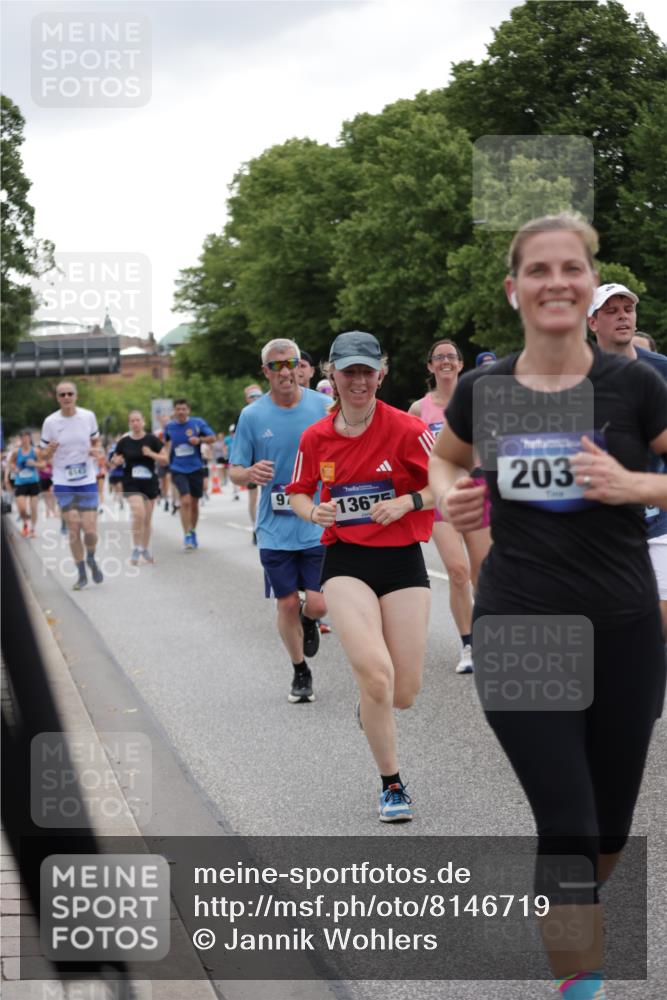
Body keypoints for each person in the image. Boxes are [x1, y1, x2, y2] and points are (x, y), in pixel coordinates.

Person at [429, 213, 667, 998]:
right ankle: (582, 983)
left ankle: (572, 910)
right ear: (514, 289)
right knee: (566, 823)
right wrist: (451, 501)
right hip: (521, 625)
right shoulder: (485, 389)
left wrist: (633, 486)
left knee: (602, 830)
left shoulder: (632, 384)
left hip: (626, 629)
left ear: (587, 284)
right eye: (538, 270)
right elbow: (444, 463)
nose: (556, 281)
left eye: (572, 268)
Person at [287, 331, 436, 822]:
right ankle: (392, 784)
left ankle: (373, 706)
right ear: (332, 373)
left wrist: (407, 501)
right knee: (376, 676)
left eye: (366, 371)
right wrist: (315, 514)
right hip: (347, 562)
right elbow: (298, 492)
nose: (357, 380)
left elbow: (449, 480)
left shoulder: (407, 428)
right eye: (348, 371)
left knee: (403, 692)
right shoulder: (316, 436)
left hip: (402, 563)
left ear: (381, 374)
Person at [230, 339, 330, 704]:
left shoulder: (324, 406)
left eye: (291, 363)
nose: (285, 371)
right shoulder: (253, 416)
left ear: (299, 364)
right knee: (286, 603)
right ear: (266, 372)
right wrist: (250, 472)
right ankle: (300, 669)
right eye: (276, 366)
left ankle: (310, 620)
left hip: (318, 521)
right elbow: (235, 472)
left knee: (317, 604)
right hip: (275, 526)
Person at [588, 282, 667, 638]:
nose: (622, 316)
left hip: (658, 516)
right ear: (592, 322)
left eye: (628, 309)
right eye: (611, 310)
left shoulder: (661, 370)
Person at [409, 340, 491, 673]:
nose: (445, 362)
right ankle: (468, 644)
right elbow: (411, 454)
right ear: (430, 366)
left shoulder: (477, 400)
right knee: (456, 571)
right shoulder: (419, 409)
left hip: (476, 492)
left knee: (481, 573)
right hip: (439, 496)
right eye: (438, 358)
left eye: (451, 357)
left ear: (460, 365)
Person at [39, 381, 104, 590]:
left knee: (90, 530)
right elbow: (42, 454)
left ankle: (91, 557)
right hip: (63, 480)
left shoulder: (88, 416)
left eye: (70, 394)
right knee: (74, 528)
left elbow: (97, 441)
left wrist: (96, 450)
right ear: (57, 398)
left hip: (86, 480)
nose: (66, 397)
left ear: (76, 396)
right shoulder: (50, 422)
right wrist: (49, 450)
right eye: (62, 395)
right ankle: (82, 573)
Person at [110, 411, 166, 565]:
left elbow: (165, 459)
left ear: (143, 422)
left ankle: (144, 548)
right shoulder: (124, 441)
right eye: (132, 421)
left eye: (138, 420)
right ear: (129, 423)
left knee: (147, 519)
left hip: (149, 482)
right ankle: (135, 548)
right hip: (131, 482)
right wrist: (117, 461)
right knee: (138, 514)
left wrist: (151, 454)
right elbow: (114, 459)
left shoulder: (152, 440)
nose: (135, 423)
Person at [163, 399, 215, 549]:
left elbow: (212, 438)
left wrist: (199, 440)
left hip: (195, 468)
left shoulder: (197, 423)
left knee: (194, 504)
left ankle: (192, 531)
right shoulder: (170, 426)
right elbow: (166, 443)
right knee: (184, 501)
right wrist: (166, 457)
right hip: (178, 468)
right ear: (174, 411)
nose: (181, 412)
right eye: (178, 409)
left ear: (188, 410)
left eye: (183, 409)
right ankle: (186, 535)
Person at [240, 384, 264, 543]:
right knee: (253, 497)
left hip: (269, 459)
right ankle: (255, 527)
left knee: (270, 495)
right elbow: (239, 442)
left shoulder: (268, 412)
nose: (255, 398)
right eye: (252, 396)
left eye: (258, 395)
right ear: (246, 398)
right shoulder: (244, 415)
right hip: (251, 462)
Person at [9, 430, 41, 537]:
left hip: (33, 482)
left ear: (30, 439)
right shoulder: (16, 452)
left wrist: (35, 463)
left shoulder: (35, 451)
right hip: (20, 482)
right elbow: (10, 462)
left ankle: (33, 529)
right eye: (22, 438)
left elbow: (43, 464)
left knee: (33, 508)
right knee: (22, 508)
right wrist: (14, 468)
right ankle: (25, 523)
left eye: (26, 437)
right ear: (20, 439)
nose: (24, 439)